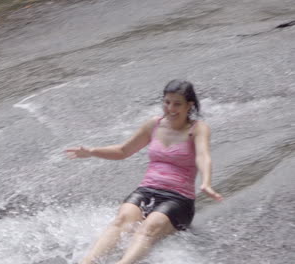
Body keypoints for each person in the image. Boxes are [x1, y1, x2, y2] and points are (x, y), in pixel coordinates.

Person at [65, 80, 223, 264]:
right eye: (167, 102)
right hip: (147, 190)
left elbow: (203, 156)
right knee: (122, 220)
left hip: (178, 198)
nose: (170, 108)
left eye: (177, 104)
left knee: (148, 228)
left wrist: (206, 182)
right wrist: (92, 151)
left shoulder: (198, 128)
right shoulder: (153, 125)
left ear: (190, 105)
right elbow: (123, 151)